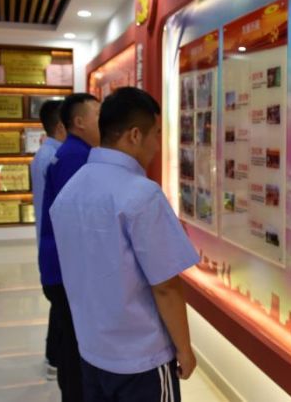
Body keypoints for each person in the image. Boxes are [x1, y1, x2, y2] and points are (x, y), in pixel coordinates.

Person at [51, 87, 199, 402]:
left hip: (92, 351)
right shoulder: (141, 194)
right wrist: (184, 349)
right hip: (141, 357)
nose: (158, 145)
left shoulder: (71, 190)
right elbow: (166, 286)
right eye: (156, 134)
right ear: (134, 135)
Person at [39, 93, 100, 402]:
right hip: (65, 270)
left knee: (69, 342)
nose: (104, 121)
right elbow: (77, 221)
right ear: (79, 122)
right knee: (75, 348)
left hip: (57, 265)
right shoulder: (77, 157)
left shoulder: (71, 152)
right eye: (97, 115)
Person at [30, 99, 67, 380]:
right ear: (61, 126)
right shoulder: (54, 158)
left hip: (48, 240)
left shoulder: (45, 153)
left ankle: (53, 357)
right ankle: (55, 358)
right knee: (61, 305)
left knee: (59, 305)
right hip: (55, 242)